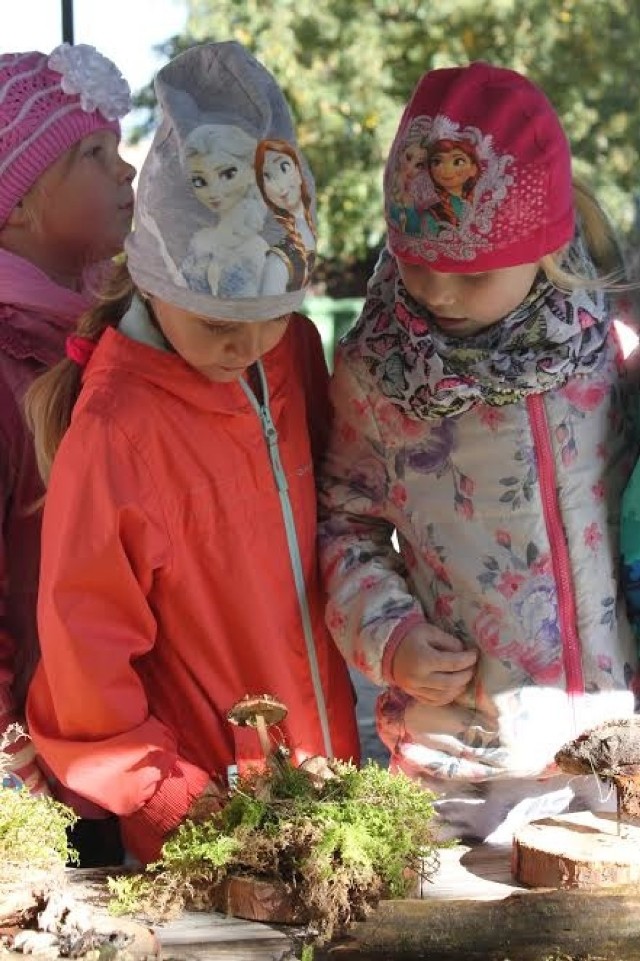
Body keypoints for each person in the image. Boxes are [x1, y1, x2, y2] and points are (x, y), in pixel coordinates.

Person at [25, 41, 359, 866]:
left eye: (275, 312)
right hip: (206, 829)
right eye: (217, 322)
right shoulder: (115, 429)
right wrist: (187, 810)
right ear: (155, 278)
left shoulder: (291, 356)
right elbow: (83, 673)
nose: (247, 344)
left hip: (328, 786)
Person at [319, 62, 639, 845]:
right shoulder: (378, 373)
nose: (438, 291)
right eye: (417, 261)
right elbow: (344, 526)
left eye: (472, 272)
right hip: (460, 758)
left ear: (546, 246)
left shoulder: (610, 353)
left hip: (614, 746)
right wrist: (388, 634)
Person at [0, 42, 133, 806]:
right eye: (94, 152)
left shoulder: (110, 338)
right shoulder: (6, 363)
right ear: (17, 201)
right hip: (32, 772)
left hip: (111, 744)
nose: (127, 170)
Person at [255, 138, 316, 295]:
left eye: (284, 167)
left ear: (297, 171)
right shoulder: (277, 262)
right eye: (267, 177)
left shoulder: (310, 225)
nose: (280, 185)